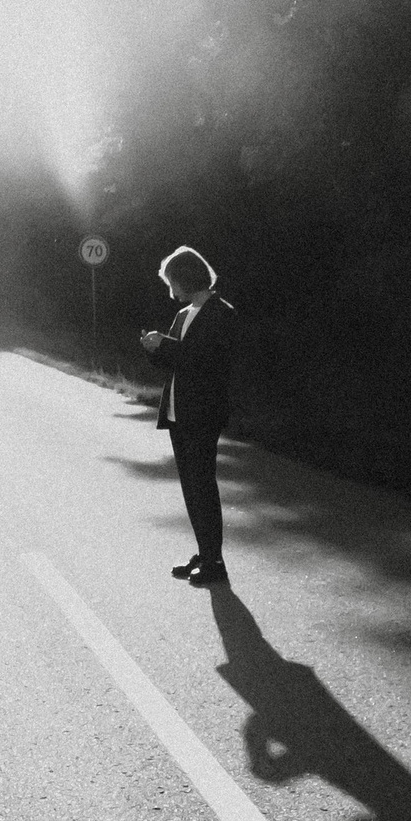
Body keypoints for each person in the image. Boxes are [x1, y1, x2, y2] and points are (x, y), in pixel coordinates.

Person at [138, 245, 238, 585]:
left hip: (203, 412)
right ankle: (204, 552)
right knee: (191, 488)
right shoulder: (183, 315)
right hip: (177, 412)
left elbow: (204, 361)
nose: (170, 289)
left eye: (172, 281)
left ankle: (215, 562)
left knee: (203, 487)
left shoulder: (220, 313)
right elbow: (176, 361)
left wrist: (165, 345)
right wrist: (155, 349)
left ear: (186, 276)